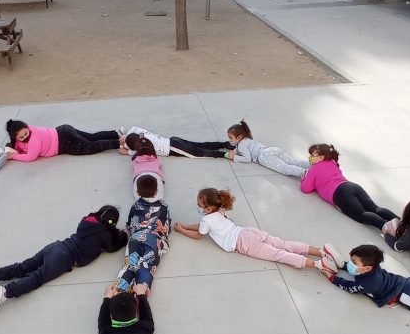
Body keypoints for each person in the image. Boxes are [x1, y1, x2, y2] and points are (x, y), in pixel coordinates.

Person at [0, 206, 128, 314]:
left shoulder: (87, 220)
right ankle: (6, 291)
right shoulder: (104, 234)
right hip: (65, 257)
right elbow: (112, 247)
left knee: (25, 266)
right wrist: (121, 235)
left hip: (56, 246)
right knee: (38, 277)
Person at [173, 188, 324, 270]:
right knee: (283, 244)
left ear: (209, 208)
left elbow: (199, 234)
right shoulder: (219, 210)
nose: (198, 207)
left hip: (243, 243)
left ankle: (317, 265)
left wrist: (182, 231)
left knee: (279, 255)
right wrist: (185, 225)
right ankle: (320, 252)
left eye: (200, 205)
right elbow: (202, 227)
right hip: (247, 232)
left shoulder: (206, 220)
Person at [301, 144, 400, 230]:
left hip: (339, 193)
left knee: (361, 214)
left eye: (313, 155)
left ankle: (388, 227)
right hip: (352, 186)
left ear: (322, 157)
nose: (310, 157)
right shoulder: (332, 162)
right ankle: (402, 223)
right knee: (375, 209)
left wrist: (303, 179)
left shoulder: (314, 168)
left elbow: (306, 189)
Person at [117, 177, 169, 295]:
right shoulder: (163, 206)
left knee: (130, 265)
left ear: (138, 192)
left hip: (135, 238)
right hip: (153, 240)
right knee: (146, 266)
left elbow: (129, 224)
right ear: (156, 191)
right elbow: (166, 226)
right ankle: (141, 293)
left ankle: (120, 292)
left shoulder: (135, 205)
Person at [4, 119, 120, 161]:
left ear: (27, 127)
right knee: (91, 137)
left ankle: (118, 143)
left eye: (26, 133)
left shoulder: (33, 139)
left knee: (90, 146)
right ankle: (116, 134)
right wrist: (12, 148)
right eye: (21, 137)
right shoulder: (26, 132)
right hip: (63, 130)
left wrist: (14, 156)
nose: (25, 137)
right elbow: (20, 146)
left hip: (65, 142)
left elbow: (30, 157)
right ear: (15, 137)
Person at [225, 120, 309, 178]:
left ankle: (304, 172)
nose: (229, 140)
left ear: (239, 137)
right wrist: (235, 152)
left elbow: (247, 159)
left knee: (284, 168)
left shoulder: (241, 145)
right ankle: (311, 164)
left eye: (231, 138)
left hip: (264, 156)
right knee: (293, 161)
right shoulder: (246, 139)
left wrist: (234, 157)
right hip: (271, 149)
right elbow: (241, 148)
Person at [120, 126, 232, 159]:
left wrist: (128, 152)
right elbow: (135, 128)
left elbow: (145, 154)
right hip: (174, 140)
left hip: (173, 148)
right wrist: (127, 135)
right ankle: (223, 144)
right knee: (198, 145)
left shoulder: (145, 146)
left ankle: (224, 154)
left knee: (198, 153)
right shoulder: (143, 135)